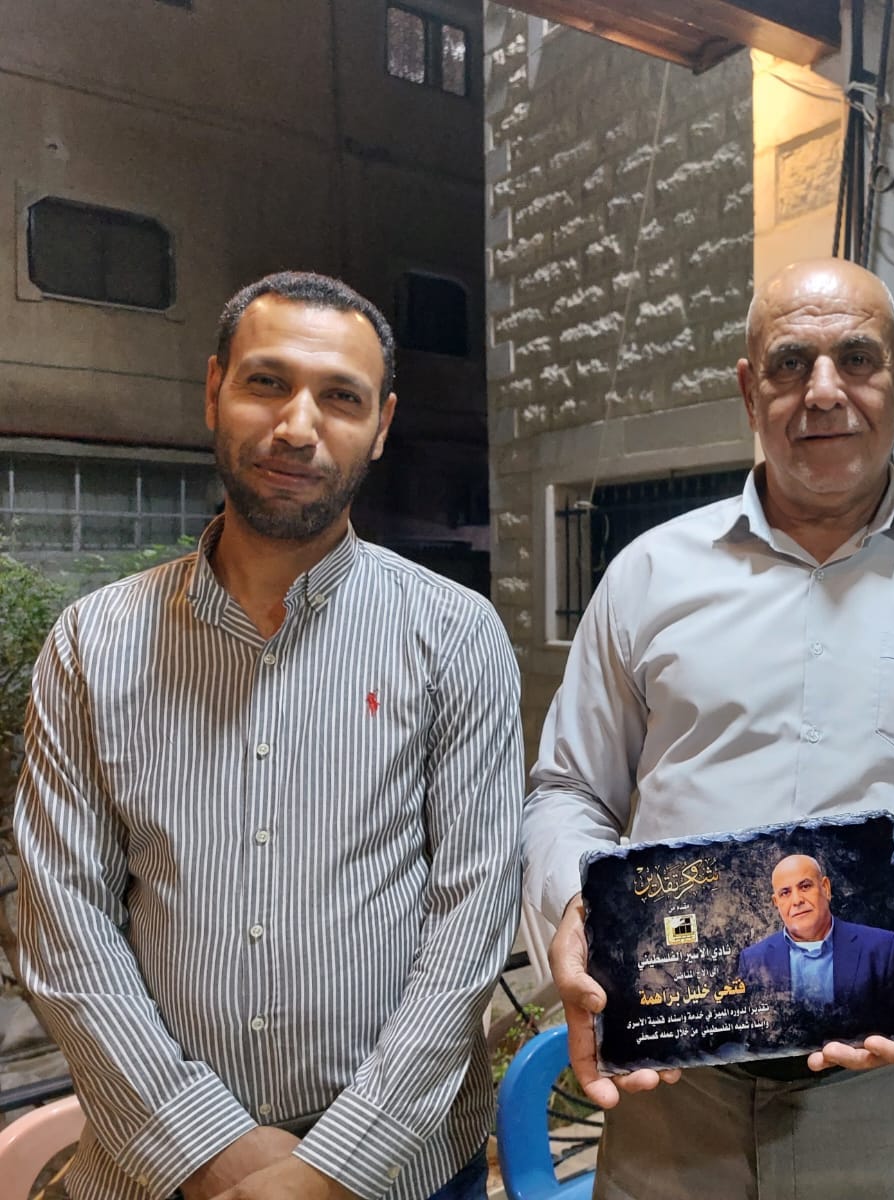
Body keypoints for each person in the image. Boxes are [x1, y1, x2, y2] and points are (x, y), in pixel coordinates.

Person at [525, 257, 894, 1199]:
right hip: (675, 1090)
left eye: (856, 359)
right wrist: (575, 906)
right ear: (750, 390)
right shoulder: (648, 577)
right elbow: (570, 791)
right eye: (791, 362)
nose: (823, 391)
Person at [13, 272, 524, 1200]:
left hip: (402, 1170)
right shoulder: (94, 642)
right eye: (266, 382)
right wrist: (208, 1149)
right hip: (159, 1170)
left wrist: (336, 1167)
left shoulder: (454, 636)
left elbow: (473, 916)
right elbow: (64, 917)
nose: (297, 426)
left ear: (381, 424)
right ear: (214, 389)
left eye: (341, 397)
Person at [735, 854, 894, 1018]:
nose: (797, 900)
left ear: (825, 888)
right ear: (776, 902)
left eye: (805, 886)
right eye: (785, 893)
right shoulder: (752, 961)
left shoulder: (882, 948)